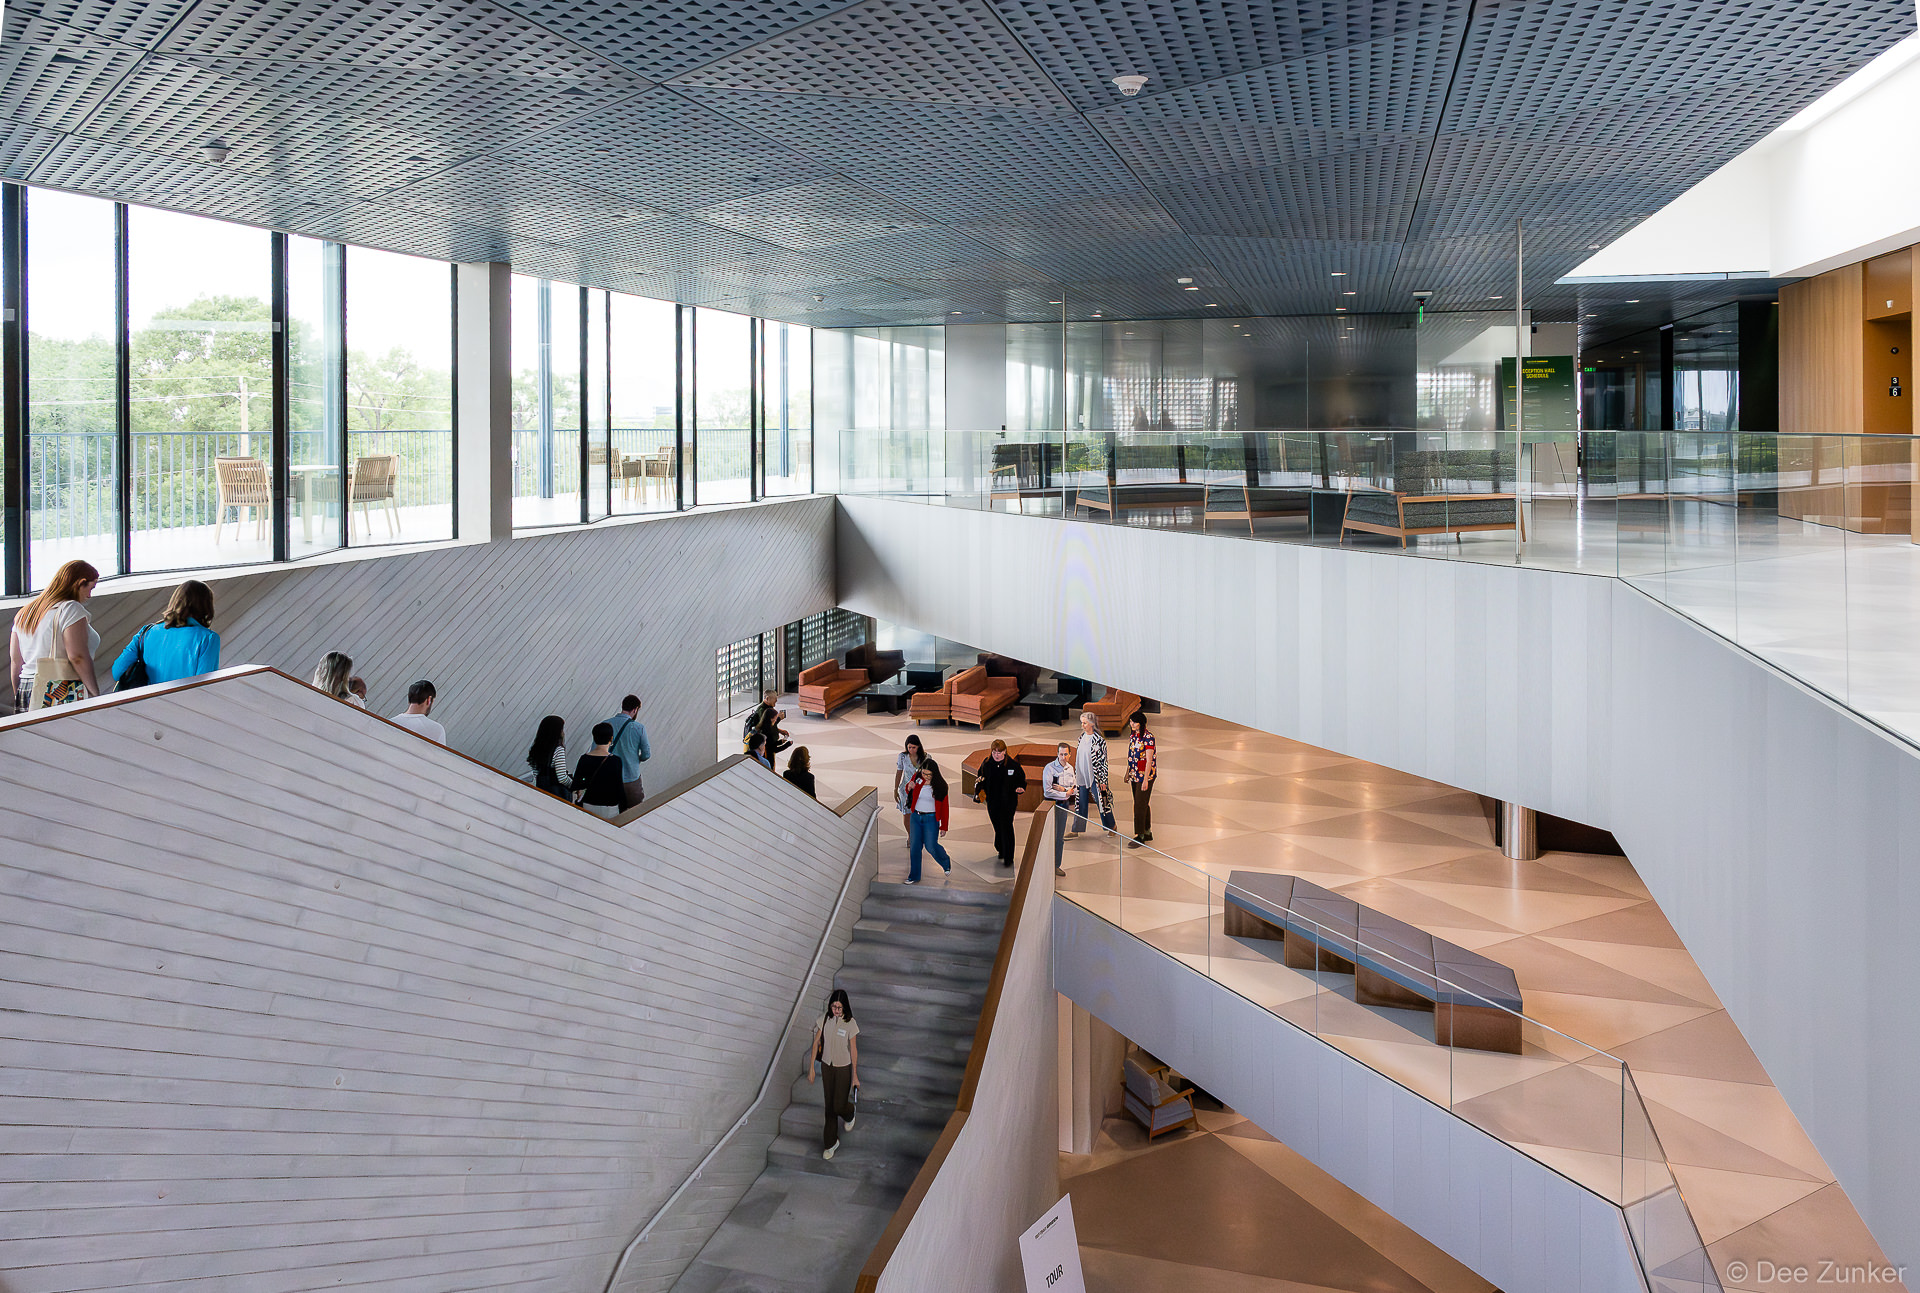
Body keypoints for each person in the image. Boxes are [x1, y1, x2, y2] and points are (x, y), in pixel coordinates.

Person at [9, 559, 101, 711]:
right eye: (90, 588)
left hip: (25, 688)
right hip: (58, 688)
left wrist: (18, 695)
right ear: (80, 583)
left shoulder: (26, 611)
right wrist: (95, 693)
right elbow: (77, 656)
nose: (89, 596)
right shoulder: (70, 609)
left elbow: (15, 661)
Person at [112, 580, 220, 690]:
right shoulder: (208, 638)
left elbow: (117, 672)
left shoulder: (147, 632)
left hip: (148, 703)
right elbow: (204, 687)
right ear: (206, 606)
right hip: (183, 704)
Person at [806, 988, 859, 1160]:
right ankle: (830, 1143)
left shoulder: (850, 1023)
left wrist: (855, 1076)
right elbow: (815, 1044)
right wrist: (812, 1068)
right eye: (833, 1006)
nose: (836, 1010)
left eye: (839, 1007)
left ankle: (849, 1112)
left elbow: (853, 1050)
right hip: (827, 1067)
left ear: (845, 1007)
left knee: (838, 1105)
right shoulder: (825, 1019)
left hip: (843, 1067)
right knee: (829, 1107)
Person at [974, 738, 1027, 867]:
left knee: (1007, 826)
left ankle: (1009, 856)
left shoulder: (1013, 765)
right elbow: (980, 779)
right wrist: (979, 790)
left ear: (1004, 752)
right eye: (994, 752)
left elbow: (1021, 780)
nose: (996, 755)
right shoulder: (986, 764)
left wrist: (1021, 788)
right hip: (992, 802)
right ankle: (1001, 848)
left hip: (1008, 802)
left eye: (999, 752)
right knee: (997, 826)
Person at [901, 756, 952, 884]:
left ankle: (945, 861)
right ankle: (914, 875)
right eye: (924, 773)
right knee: (915, 847)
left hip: (931, 819)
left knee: (931, 846)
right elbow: (909, 791)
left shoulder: (940, 786)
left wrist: (944, 826)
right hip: (916, 817)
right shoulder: (917, 777)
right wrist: (909, 786)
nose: (926, 776)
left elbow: (945, 807)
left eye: (929, 774)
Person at [1065, 711, 1116, 840]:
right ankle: (1076, 829)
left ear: (1092, 724)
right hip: (1082, 775)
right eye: (1082, 723)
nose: (1082, 725)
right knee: (1080, 803)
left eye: (1085, 723)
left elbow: (1104, 762)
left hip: (1096, 777)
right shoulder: (1081, 737)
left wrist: (1103, 780)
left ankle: (1112, 826)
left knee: (1102, 802)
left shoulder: (1099, 741)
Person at [605, 693, 652, 811]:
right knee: (635, 812)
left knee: (614, 814)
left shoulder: (605, 725)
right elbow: (646, 754)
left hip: (610, 778)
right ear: (635, 709)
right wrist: (637, 759)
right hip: (631, 778)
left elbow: (596, 751)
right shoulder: (639, 728)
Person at [572, 722, 625, 820]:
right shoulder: (616, 761)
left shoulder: (584, 759)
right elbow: (619, 787)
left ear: (594, 738)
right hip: (610, 807)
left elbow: (577, 784)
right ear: (611, 738)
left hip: (589, 804)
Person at [1042, 741, 1077, 878]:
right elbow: (1047, 792)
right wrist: (1065, 793)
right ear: (1057, 754)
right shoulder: (1049, 768)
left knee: (1059, 837)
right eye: (1061, 754)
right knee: (1049, 835)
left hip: (1064, 805)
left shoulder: (1070, 768)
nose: (1063, 757)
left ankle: (1056, 865)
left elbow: (1074, 789)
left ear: (1070, 755)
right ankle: (1045, 864)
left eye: (1065, 754)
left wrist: (1064, 791)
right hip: (1051, 804)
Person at [1125, 710, 1157, 847]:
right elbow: (1131, 756)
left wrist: (1145, 780)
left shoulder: (1148, 737)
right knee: (1142, 803)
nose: (1131, 724)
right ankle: (1147, 830)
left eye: (1134, 722)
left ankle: (1140, 835)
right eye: (1131, 721)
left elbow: (1149, 760)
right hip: (1134, 774)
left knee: (1139, 805)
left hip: (1145, 776)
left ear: (1141, 723)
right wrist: (1127, 772)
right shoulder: (1134, 736)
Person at [527, 715, 570, 800]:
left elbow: (536, 773)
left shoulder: (537, 748)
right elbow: (562, 778)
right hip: (557, 794)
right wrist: (574, 785)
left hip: (542, 791)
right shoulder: (558, 749)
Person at [894, 734, 926, 831]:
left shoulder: (926, 757)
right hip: (905, 790)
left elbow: (930, 775)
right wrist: (895, 789)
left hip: (921, 790)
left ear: (919, 746)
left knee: (920, 813)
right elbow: (899, 772)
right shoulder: (902, 757)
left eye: (914, 747)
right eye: (909, 747)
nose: (911, 750)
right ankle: (910, 835)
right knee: (907, 814)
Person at [748, 689, 791, 757]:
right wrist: (779, 718)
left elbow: (770, 725)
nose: (776, 701)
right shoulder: (762, 710)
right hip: (767, 745)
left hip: (771, 742)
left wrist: (779, 730)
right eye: (775, 698)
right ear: (767, 698)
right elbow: (766, 726)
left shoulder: (768, 708)